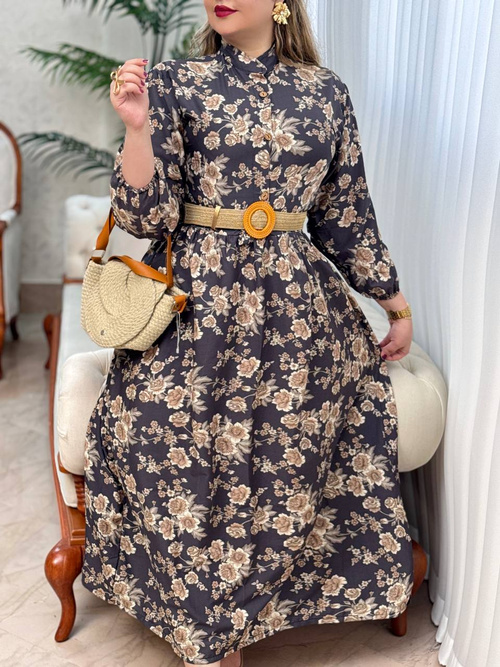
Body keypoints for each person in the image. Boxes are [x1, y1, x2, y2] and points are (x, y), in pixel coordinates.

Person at [81, 1, 414, 666]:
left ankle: (246, 614)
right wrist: (138, 129)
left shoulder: (325, 93)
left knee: (294, 440)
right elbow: (144, 218)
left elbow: (345, 213)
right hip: (195, 303)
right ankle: (210, 631)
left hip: (297, 310)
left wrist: (393, 302)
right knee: (159, 431)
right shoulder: (175, 82)